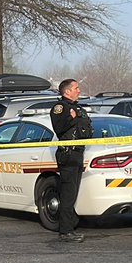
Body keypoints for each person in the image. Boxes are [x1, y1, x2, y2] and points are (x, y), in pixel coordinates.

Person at [50, 78, 93, 243]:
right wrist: (72, 119)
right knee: (68, 194)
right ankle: (65, 231)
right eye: (76, 88)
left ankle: (71, 224)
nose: (79, 90)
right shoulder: (60, 108)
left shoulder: (78, 108)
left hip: (78, 154)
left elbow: (86, 131)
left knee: (73, 193)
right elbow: (60, 128)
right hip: (67, 155)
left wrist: (76, 117)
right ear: (67, 91)